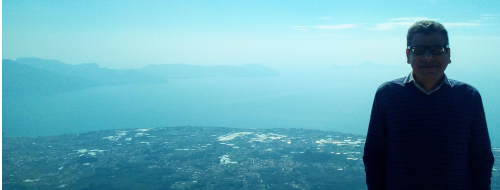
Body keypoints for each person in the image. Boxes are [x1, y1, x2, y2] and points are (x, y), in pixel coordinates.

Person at [363, 20, 494, 190]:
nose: (428, 57)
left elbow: (481, 159)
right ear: (407, 55)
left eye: (437, 49)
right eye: (418, 50)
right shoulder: (387, 95)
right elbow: (374, 156)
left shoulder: (469, 97)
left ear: (448, 54)